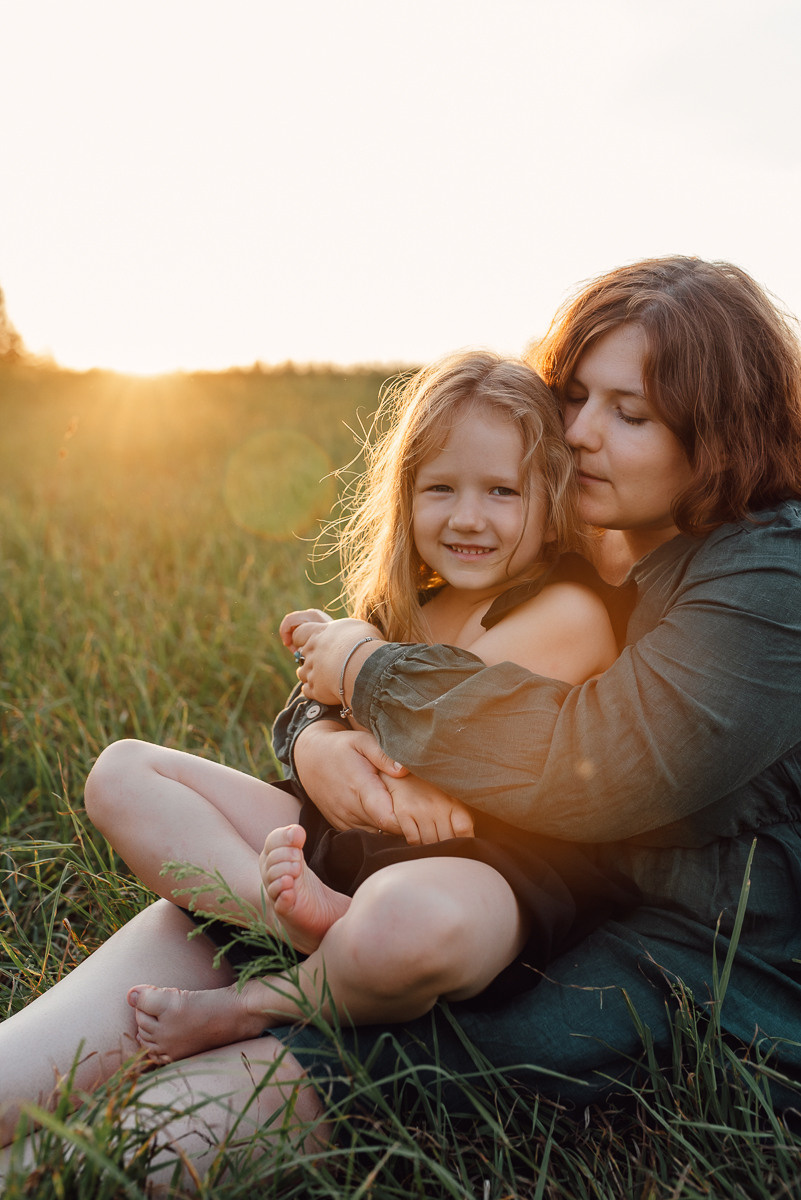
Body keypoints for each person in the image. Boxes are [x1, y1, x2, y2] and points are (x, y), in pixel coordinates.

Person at [2, 256, 800, 1192]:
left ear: (720, 433)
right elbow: (387, 650)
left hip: (633, 953)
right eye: (575, 395)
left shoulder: (769, 575)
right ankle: (297, 945)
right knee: (23, 1073)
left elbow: (598, 760)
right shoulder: (566, 516)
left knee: (106, 1154)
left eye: (630, 413)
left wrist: (362, 672)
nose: (581, 431)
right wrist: (316, 737)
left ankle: (279, 1004)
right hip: (366, 879)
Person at [116, 350, 638, 1065]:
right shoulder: (406, 608)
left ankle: (252, 1004)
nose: (467, 518)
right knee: (124, 773)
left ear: (553, 506)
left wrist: (348, 658)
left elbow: (440, 716)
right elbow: (326, 712)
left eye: (502, 491)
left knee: (401, 925)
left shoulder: (569, 611)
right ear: (406, 497)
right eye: (440, 488)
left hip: (484, 869)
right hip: (350, 841)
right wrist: (324, 725)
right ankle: (293, 919)